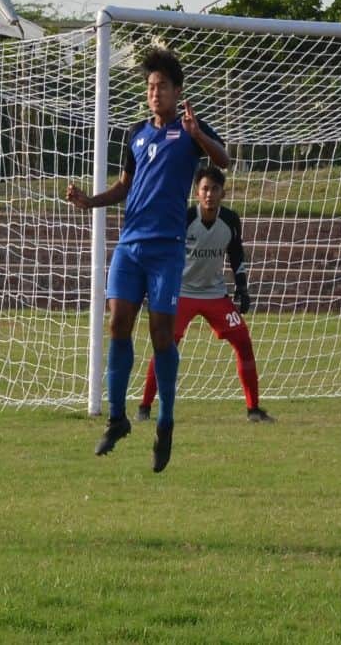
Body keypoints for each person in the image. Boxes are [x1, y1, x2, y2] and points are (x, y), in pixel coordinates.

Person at [66, 47, 229, 473]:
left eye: (162, 87)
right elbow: (124, 187)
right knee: (118, 322)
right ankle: (118, 418)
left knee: (161, 334)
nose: (154, 93)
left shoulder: (190, 129)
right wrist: (90, 201)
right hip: (130, 245)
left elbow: (225, 159)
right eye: (150, 87)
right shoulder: (136, 133)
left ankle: (167, 420)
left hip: (167, 248)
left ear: (178, 91)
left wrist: (198, 135)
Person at [135, 167, 273, 423]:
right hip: (181, 294)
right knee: (165, 346)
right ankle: (144, 407)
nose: (209, 194)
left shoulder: (230, 220)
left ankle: (253, 410)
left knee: (243, 341)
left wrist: (242, 287)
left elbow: (236, 254)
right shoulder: (185, 218)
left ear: (223, 193)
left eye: (215, 189)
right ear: (197, 193)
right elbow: (164, 254)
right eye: (205, 189)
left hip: (215, 295)